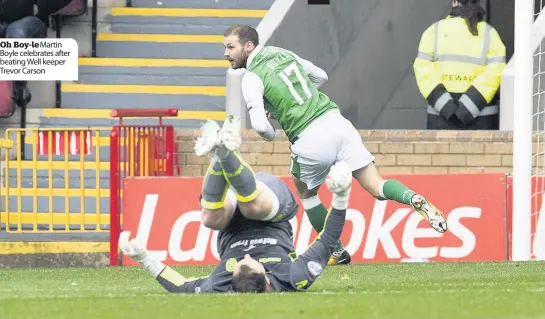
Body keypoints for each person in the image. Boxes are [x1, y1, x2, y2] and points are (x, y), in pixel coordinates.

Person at [218, 25, 448, 265]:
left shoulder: (251, 77)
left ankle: (337, 252)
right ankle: (414, 199)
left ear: (248, 46)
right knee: (377, 186)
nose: (226, 53)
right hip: (337, 122)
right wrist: (295, 99)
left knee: (306, 194)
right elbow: (320, 76)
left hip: (309, 137)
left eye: (230, 47)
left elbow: (262, 127)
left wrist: (274, 128)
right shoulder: (282, 53)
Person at [119, 115, 353, 293]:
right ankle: (223, 152)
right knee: (252, 207)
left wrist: (144, 258)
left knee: (209, 219)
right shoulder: (294, 277)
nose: (246, 257)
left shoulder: (222, 282)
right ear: (267, 279)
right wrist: (341, 195)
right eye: (251, 263)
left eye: (239, 263)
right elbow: (328, 239)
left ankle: (221, 151)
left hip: (230, 219)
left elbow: (182, 287)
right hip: (272, 205)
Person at [413, 0, 506, 130]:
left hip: (442, 118)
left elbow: (423, 70)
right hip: (481, 120)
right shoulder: (489, 34)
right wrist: (468, 106)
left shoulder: (434, 31)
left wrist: (446, 105)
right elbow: (496, 71)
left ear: (454, 2)